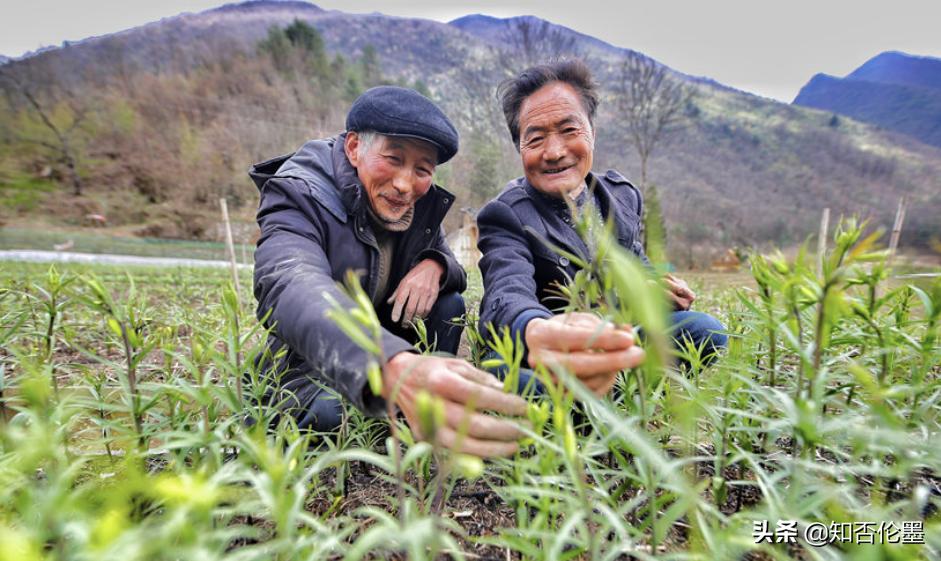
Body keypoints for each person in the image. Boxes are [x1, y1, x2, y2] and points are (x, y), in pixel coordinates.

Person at [250, 86, 527, 457]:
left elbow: (452, 263)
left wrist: (435, 265)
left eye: (422, 170)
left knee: (450, 304)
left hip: (385, 342)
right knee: (331, 414)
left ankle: (426, 410)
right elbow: (291, 283)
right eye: (393, 159)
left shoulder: (412, 205)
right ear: (353, 148)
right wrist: (387, 361)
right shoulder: (300, 193)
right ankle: (401, 400)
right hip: (314, 359)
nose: (404, 184)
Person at [477, 60, 727, 397]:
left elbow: (638, 268)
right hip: (548, 354)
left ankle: (604, 394)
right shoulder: (505, 213)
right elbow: (506, 293)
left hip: (616, 337)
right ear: (520, 147)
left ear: (592, 132)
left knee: (706, 331)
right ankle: (607, 396)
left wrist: (658, 291)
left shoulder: (620, 198)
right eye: (535, 139)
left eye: (569, 130)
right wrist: (540, 329)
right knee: (509, 375)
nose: (554, 152)